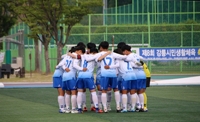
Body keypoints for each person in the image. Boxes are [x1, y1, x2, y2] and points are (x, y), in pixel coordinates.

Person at [95, 41, 127, 113]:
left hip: (104, 74)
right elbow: (123, 57)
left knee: (103, 90)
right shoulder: (112, 53)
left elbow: (96, 59)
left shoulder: (99, 54)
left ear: (101, 47)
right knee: (116, 89)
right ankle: (118, 107)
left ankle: (105, 108)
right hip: (113, 74)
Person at [122, 44, 146, 112]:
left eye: (123, 52)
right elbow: (144, 59)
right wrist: (140, 64)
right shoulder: (136, 55)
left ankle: (138, 106)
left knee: (133, 91)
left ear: (126, 51)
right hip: (142, 73)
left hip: (136, 74)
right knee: (140, 92)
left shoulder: (128, 57)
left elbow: (131, 65)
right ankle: (142, 107)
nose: (123, 54)